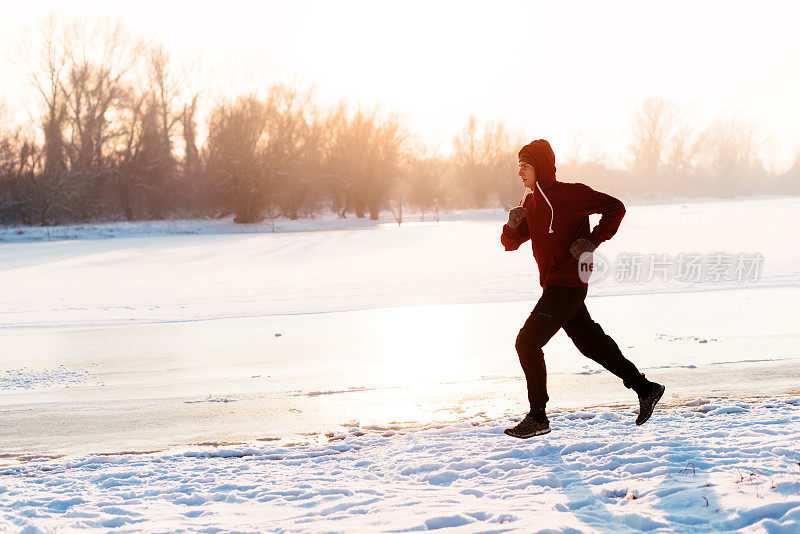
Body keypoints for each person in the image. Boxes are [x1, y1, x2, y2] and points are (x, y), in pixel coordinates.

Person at [501, 139, 665, 439]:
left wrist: (593, 240)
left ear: (541, 168)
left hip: (568, 283)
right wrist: (512, 225)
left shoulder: (571, 194)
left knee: (527, 342)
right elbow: (510, 243)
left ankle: (538, 416)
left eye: (525, 167)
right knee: (592, 344)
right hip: (555, 284)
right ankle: (646, 388)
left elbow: (616, 208)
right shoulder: (530, 203)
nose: (520, 173)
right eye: (518, 168)